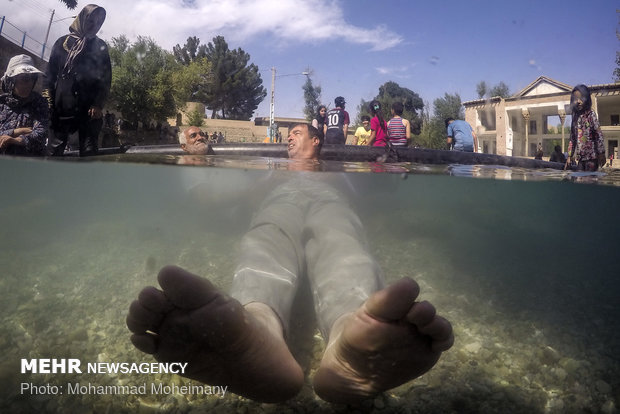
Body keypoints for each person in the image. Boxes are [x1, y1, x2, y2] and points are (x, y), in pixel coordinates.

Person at [127, 123, 454, 405]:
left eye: (296, 133)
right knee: (266, 237)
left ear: (316, 142)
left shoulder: (336, 172)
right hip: (279, 202)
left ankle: (349, 334)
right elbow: (240, 198)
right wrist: (264, 187)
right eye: (287, 135)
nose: (288, 139)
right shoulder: (271, 168)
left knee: (340, 240)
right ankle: (257, 326)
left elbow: (365, 196)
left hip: (330, 202)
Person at [44, 4, 111, 156]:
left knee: (89, 154)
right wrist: (49, 104)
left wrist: (98, 104)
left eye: (99, 23)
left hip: (88, 112)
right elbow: (49, 76)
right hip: (60, 110)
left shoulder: (100, 46)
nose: (95, 26)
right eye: (91, 21)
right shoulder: (61, 43)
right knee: (53, 154)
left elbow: (105, 79)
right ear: (82, 19)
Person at [0, 54, 48, 156]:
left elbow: (41, 133)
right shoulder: (1, 103)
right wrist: (17, 131)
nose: (29, 83)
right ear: (11, 81)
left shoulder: (40, 103)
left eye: (32, 78)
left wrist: (17, 140)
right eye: (24, 78)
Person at [565, 84, 606, 171]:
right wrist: (569, 156)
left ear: (586, 99)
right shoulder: (575, 118)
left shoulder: (591, 115)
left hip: (592, 158)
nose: (578, 101)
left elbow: (598, 135)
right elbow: (572, 139)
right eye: (576, 99)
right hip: (580, 159)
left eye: (581, 98)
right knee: (579, 181)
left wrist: (601, 153)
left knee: (590, 180)